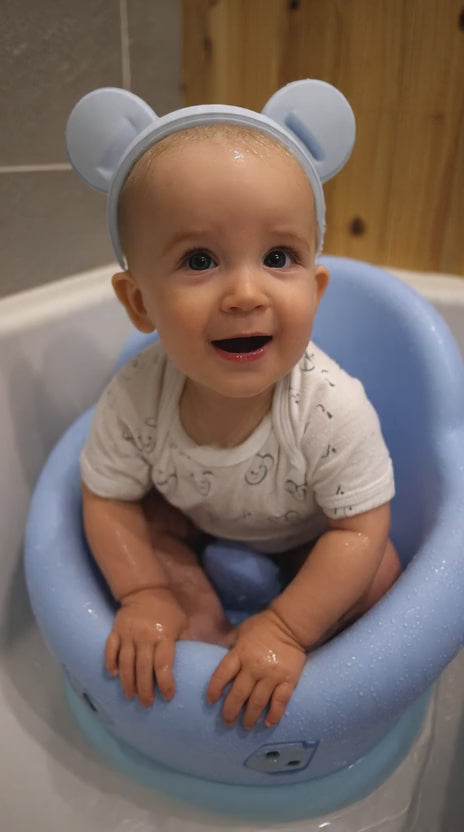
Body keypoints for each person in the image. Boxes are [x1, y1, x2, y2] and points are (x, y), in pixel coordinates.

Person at [69, 83, 402, 732]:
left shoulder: (330, 406)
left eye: (279, 257)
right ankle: (202, 621)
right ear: (139, 302)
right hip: (196, 523)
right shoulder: (136, 397)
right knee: (148, 526)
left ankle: (293, 653)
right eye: (200, 260)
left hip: (313, 538)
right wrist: (144, 593)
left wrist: (286, 628)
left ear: (315, 288)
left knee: (378, 570)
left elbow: (359, 529)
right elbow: (106, 500)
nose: (246, 293)